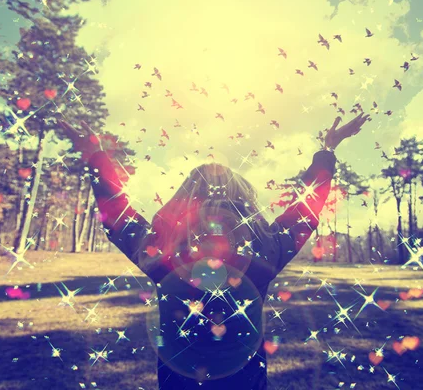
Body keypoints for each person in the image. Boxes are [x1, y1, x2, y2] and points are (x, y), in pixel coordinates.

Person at [59, 113, 369, 389]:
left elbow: (118, 215)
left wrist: (96, 156)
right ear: (245, 197)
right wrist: (328, 150)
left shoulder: (164, 253)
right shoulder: (263, 249)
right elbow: (306, 207)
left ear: (183, 198)